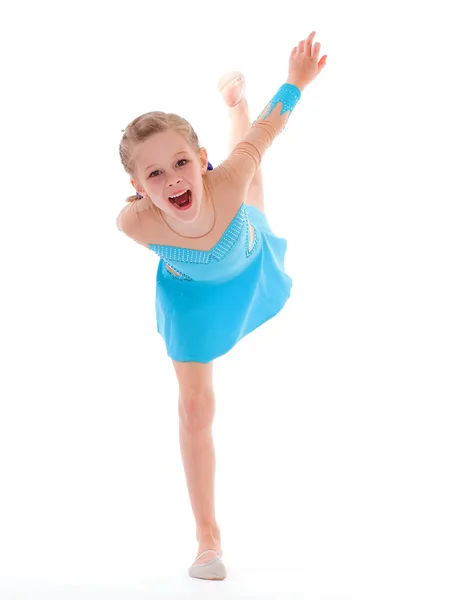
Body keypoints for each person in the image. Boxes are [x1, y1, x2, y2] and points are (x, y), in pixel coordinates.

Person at [117, 31, 327, 580]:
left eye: (181, 162)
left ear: (201, 161)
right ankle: (207, 539)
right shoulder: (133, 221)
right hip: (190, 300)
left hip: (247, 255)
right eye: (154, 174)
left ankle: (233, 103)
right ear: (138, 186)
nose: (172, 180)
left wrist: (296, 81)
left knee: (252, 184)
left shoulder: (225, 178)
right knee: (195, 409)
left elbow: (267, 131)